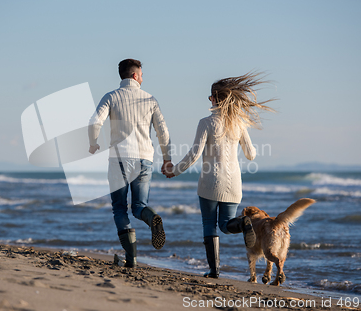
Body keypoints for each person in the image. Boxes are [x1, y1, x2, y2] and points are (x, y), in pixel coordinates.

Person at [164, 72, 274, 278]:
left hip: (210, 182)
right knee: (226, 225)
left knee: (209, 225)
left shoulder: (206, 122)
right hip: (233, 185)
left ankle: (214, 270)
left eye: (210, 97)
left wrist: (174, 170)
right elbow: (251, 155)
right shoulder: (239, 123)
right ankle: (242, 223)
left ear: (215, 99)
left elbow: (194, 154)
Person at [88, 59, 172, 268]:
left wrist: (93, 143)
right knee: (139, 206)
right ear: (135, 75)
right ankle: (151, 218)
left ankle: (132, 259)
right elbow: (163, 131)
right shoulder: (150, 100)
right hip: (144, 158)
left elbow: (94, 122)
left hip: (119, 159)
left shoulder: (111, 97)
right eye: (142, 74)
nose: (143, 77)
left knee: (119, 208)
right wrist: (167, 158)